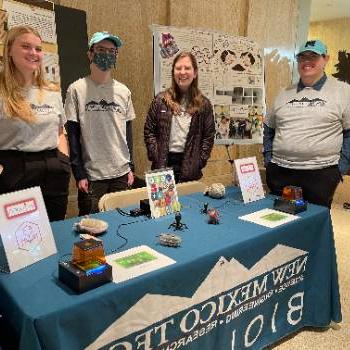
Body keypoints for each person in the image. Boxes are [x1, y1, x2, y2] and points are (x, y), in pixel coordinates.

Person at [263, 39, 350, 208]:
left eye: (313, 57)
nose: (307, 62)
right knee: (278, 221)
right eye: (302, 57)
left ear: (326, 59)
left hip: (321, 175)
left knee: (313, 224)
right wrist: (269, 160)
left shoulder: (343, 91)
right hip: (281, 172)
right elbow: (269, 128)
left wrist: (340, 169)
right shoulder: (283, 93)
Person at [0, 25, 70, 221]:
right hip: (14, 172)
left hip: (53, 171)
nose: (33, 53)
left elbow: (59, 131)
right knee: (20, 242)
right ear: (9, 50)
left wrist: (63, 163)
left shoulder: (52, 92)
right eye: (25, 46)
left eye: (38, 49)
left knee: (55, 231)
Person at [65, 31, 135, 214]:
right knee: (92, 228)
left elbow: (127, 132)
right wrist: (78, 172)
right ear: (90, 53)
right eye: (101, 49)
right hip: (92, 175)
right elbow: (72, 136)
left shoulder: (124, 91)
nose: (107, 54)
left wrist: (130, 166)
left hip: (120, 173)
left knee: (122, 223)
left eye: (112, 51)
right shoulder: (76, 90)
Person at [144, 51, 215, 183]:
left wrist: (199, 161)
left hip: (190, 166)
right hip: (163, 164)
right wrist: (156, 155)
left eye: (187, 68)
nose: (182, 72)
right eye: (178, 68)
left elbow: (208, 137)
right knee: (163, 204)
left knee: (190, 203)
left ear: (195, 73)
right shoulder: (160, 101)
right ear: (173, 72)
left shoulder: (204, 105)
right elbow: (149, 131)